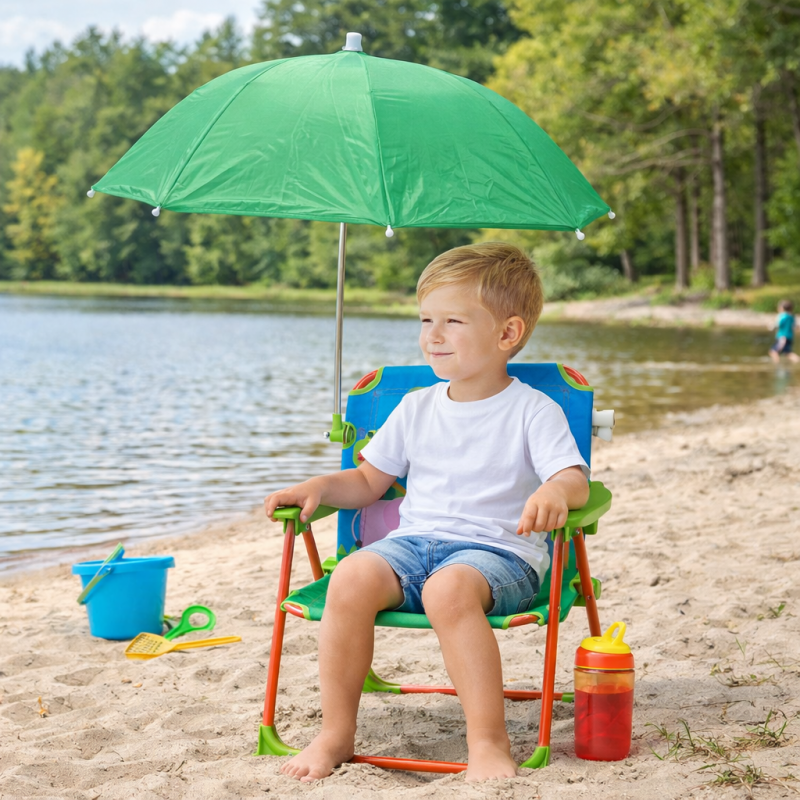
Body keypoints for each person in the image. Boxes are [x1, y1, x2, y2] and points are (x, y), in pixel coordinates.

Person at [264, 243, 590, 782]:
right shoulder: (415, 407)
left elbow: (574, 479)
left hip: (498, 555)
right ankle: (335, 733)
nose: (432, 335)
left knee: (448, 590)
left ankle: (487, 741)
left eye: (452, 321)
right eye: (426, 320)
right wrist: (319, 485)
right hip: (412, 547)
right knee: (349, 577)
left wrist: (556, 492)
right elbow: (370, 481)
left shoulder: (534, 409)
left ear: (507, 334)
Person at [769, 300, 799, 364]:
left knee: (774, 352)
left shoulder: (781, 316)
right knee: (787, 353)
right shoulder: (792, 317)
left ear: (781, 308)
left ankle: (777, 365)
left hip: (782, 337)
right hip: (789, 337)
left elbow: (777, 324)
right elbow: (795, 326)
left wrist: (771, 327)